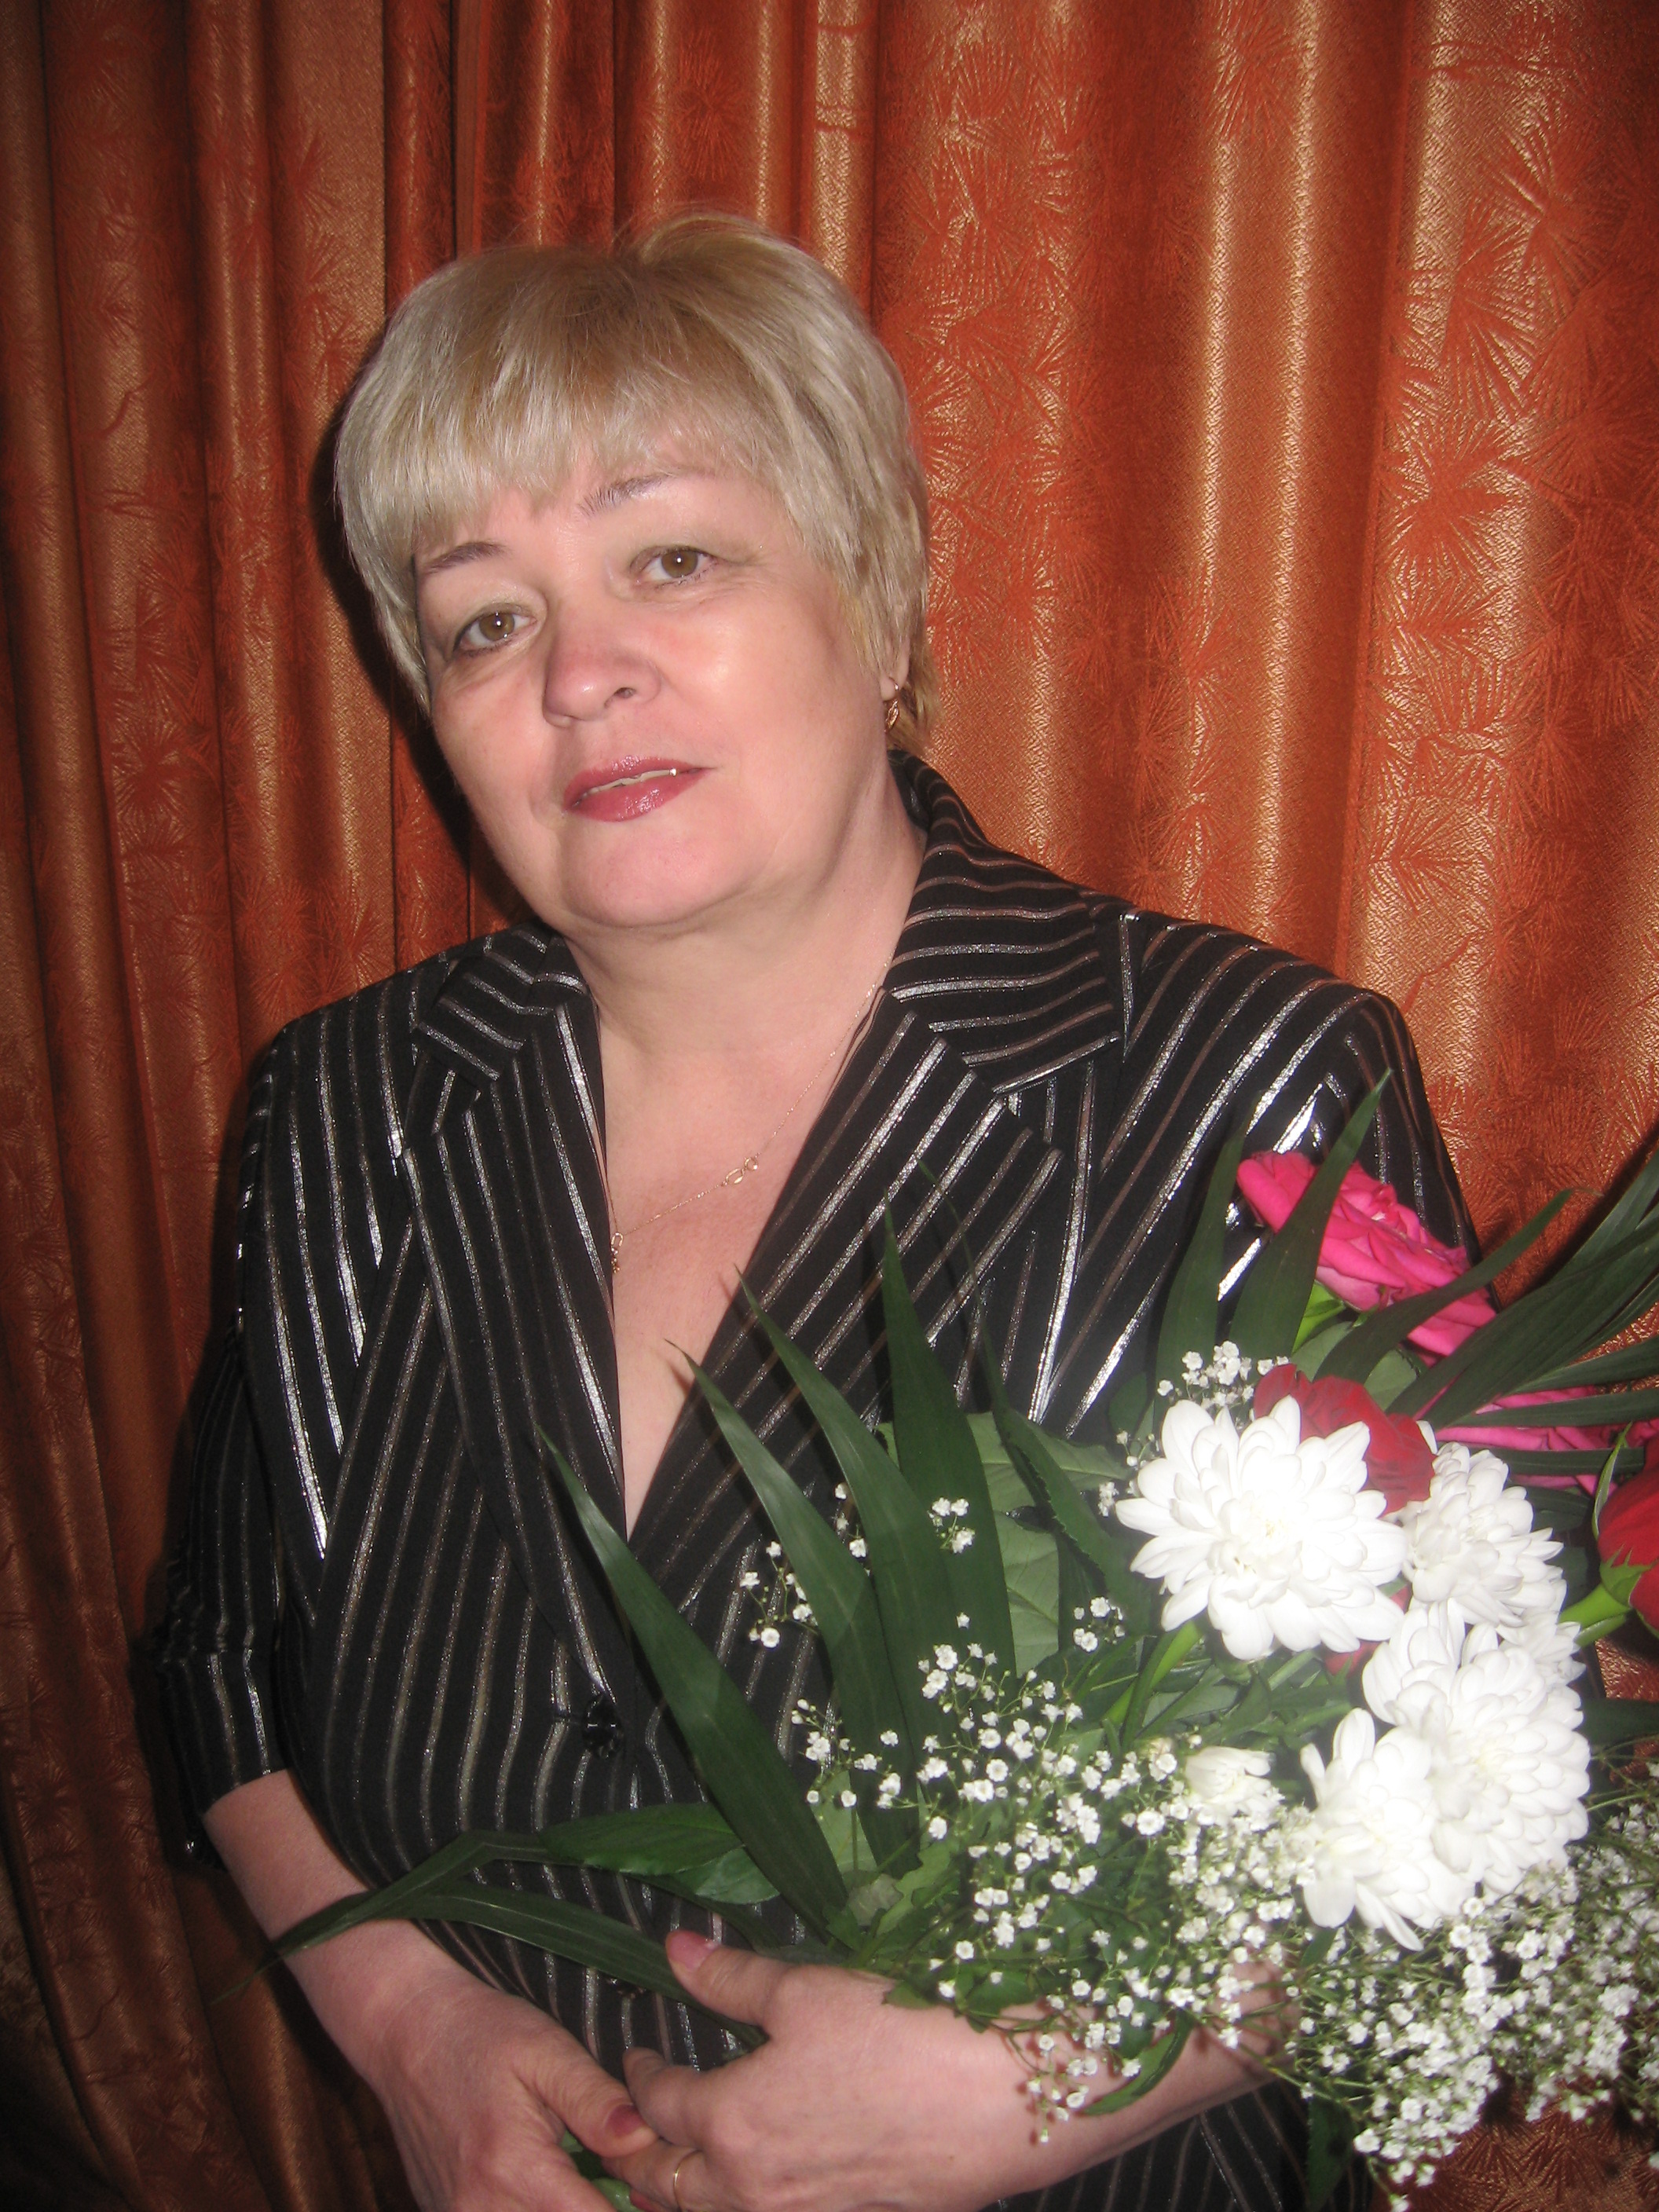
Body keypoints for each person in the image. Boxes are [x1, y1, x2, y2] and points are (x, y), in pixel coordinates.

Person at [159, 214, 1470, 2212]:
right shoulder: (342, 1109)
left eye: (671, 560)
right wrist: (404, 2022)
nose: (580, 675)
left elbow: (1504, 1764)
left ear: (878, 591)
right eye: (486, 619)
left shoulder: (1240, 1089)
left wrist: (1056, 2080)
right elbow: (220, 1661)